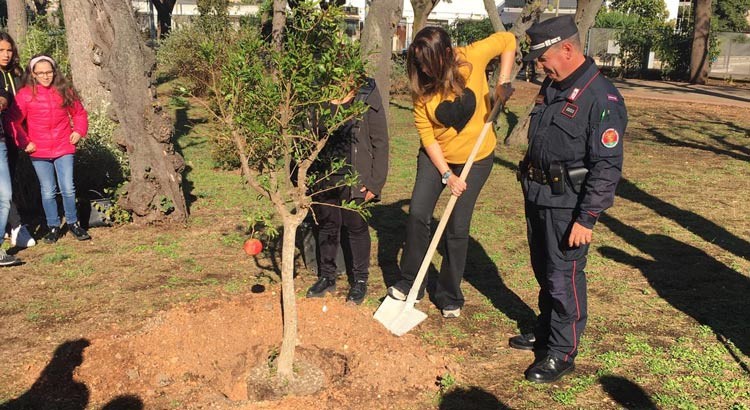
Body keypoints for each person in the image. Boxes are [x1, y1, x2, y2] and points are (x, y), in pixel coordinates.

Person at [510, 15, 627, 383]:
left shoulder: (601, 97)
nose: (540, 67)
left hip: (569, 205)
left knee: (564, 277)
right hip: (539, 194)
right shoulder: (554, 85)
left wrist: (587, 217)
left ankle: (562, 351)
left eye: (543, 59)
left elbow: (607, 165)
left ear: (566, 49)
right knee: (544, 271)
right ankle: (546, 330)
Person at [386, 27, 516, 318]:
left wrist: (503, 84)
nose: (423, 69)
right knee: (419, 213)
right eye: (418, 63)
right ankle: (411, 283)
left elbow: (508, 40)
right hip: (438, 159)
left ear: (446, 55)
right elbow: (427, 137)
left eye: (428, 63)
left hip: (477, 157)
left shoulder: (472, 57)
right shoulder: (421, 88)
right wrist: (447, 174)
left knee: (457, 225)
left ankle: (448, 293)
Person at [304, 77, 389, 305]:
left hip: (356, 176)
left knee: (356, 226)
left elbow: (380, 140)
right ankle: (327, 277)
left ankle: (360, 281)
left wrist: (375, 182)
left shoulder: (366, 93)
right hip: (324, 176)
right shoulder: (317, 97)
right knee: (327, 225)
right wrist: (304, 179)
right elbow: (305, 140)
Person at [7, 54, 91, 243]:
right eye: (41, 73)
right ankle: (53, 226)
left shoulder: (64, 90)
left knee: (68, 188)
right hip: (39, 150)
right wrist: (24, 142)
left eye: (49, 72)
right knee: (48, 190)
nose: (46, 76)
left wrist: (78, 130)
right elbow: (13, 121)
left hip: (64, 146)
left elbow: (79, 113)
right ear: (33, 74)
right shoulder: (25, 95)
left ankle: (73, 223)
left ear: (55, 72)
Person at [0, 32, 36, 248]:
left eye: (8, 50)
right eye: (1, 50)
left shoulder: (18, 74)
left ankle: (7, 225)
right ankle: (16, 226)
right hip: (2, 133)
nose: (5, 55)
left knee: (8, 182)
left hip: (17, 134)